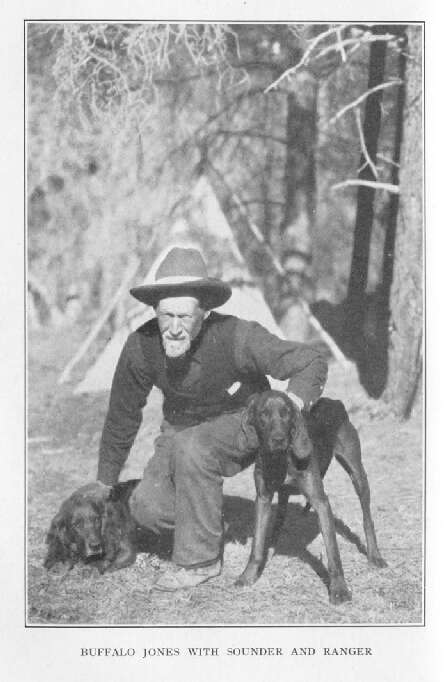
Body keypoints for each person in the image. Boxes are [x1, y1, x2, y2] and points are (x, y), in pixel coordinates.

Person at [97, 246, 328, 591]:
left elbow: (310, 360)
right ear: (155, 311)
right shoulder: (141, 346)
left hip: (245, 421)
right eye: (166, 316)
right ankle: (205, 517)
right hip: (181, 430)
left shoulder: (237, 336)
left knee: (194, 446)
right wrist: (103, 485)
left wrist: (292, 406)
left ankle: (200, 561)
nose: (174, 328)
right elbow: (121, 417)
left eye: (185, 317)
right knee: (145, 509)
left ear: (204, 314)